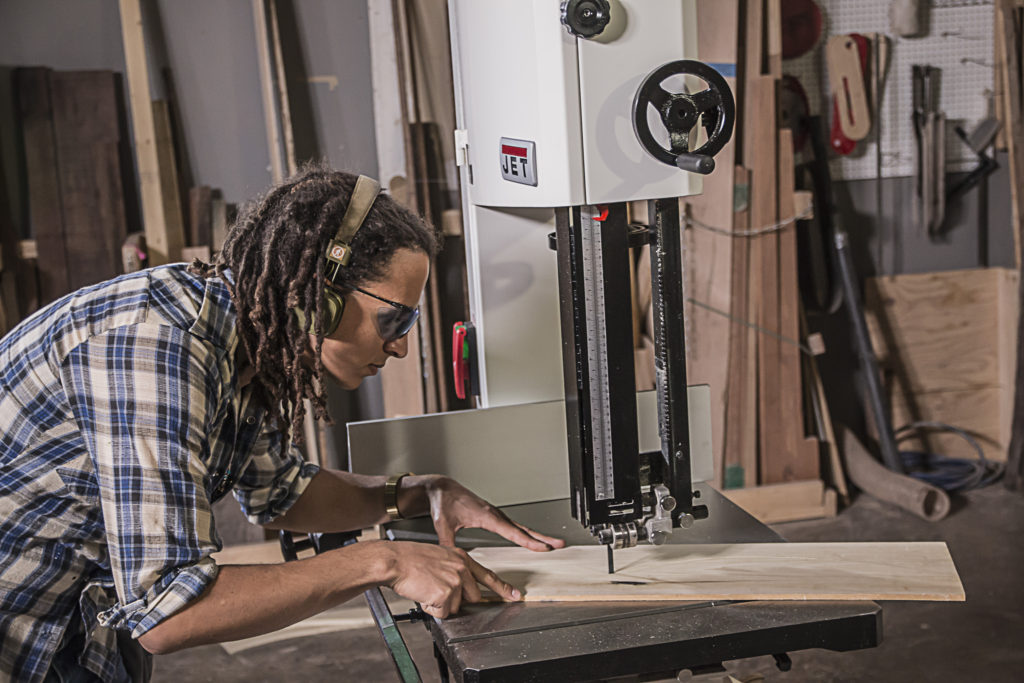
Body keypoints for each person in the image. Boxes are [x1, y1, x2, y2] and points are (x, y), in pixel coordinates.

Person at [0, 164, 565, 683]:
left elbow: (284, 494)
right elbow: (169, 608)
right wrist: (384, 559)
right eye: (396, 318)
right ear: (322, 298)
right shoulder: (151, 351)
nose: (400, 346)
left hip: (78, 624)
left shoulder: (245, 345)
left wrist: (419, 493)